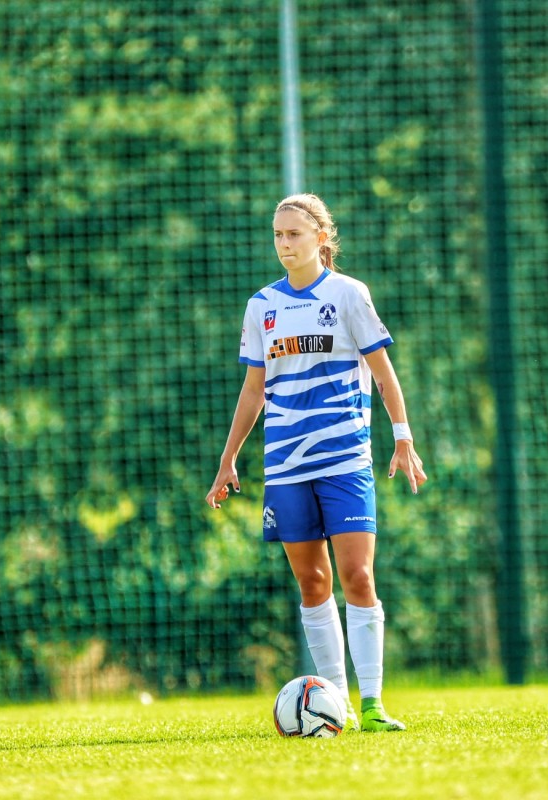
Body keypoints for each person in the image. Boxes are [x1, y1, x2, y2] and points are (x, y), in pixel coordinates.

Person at [206, 192, 427, 733]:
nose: (285, 244)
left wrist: (402, 437)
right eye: (278, 235)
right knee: (312, 582)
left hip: (345, 458)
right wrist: (229, 458)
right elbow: (253, 389)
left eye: (295, 234)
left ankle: (372, 703)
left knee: (358, 575)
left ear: (321, 238)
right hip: (285, 464)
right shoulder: (262, 305)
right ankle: (335, 704)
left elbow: (383, 373)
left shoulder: (349, 294)